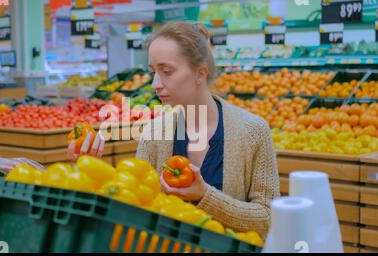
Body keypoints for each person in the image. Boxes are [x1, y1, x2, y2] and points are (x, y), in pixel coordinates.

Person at [69, 21, 280, 237]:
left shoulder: (254, 131)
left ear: (200, 73)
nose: (154, 84)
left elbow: (269, 219)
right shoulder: (153, 134)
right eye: (152, 71)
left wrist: (205, 195)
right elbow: (138, 205)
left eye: (166, 71)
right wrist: (89, 169)